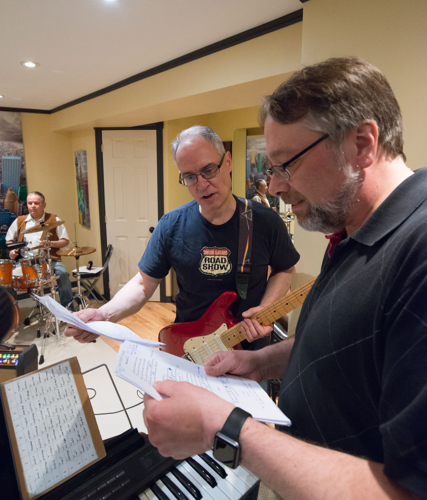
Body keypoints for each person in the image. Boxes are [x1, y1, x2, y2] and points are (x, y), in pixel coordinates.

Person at [142, 58, 427, 499]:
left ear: (362, 144)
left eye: (284, 165)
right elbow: (347, 342)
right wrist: (261, 362)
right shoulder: (353, 233)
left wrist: (224, 425)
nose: (274, 187)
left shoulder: (419, 255)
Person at [65, 126, 298, 350]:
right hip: (188, 347)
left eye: (209, 170)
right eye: (189, 177)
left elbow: (285, 269)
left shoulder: (265, 221)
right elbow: (143, 283)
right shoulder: (171, 225)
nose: (202, 184)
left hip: (249, 350)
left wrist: (266, 308)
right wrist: (103, 314)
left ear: (227, 162)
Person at [6, 191, 74, 310]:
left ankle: (68, 309)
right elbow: (9, 241)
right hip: (25, 261)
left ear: (44, 204)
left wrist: (51, 243)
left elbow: (65, 241)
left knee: (63, 274)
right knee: (9, 279)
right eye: (30, 203)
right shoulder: (19, 221)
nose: (32, 206)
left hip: (49, 259)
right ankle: (12, 314)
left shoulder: (53, 219)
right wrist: (13, 250)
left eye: (36, 203)